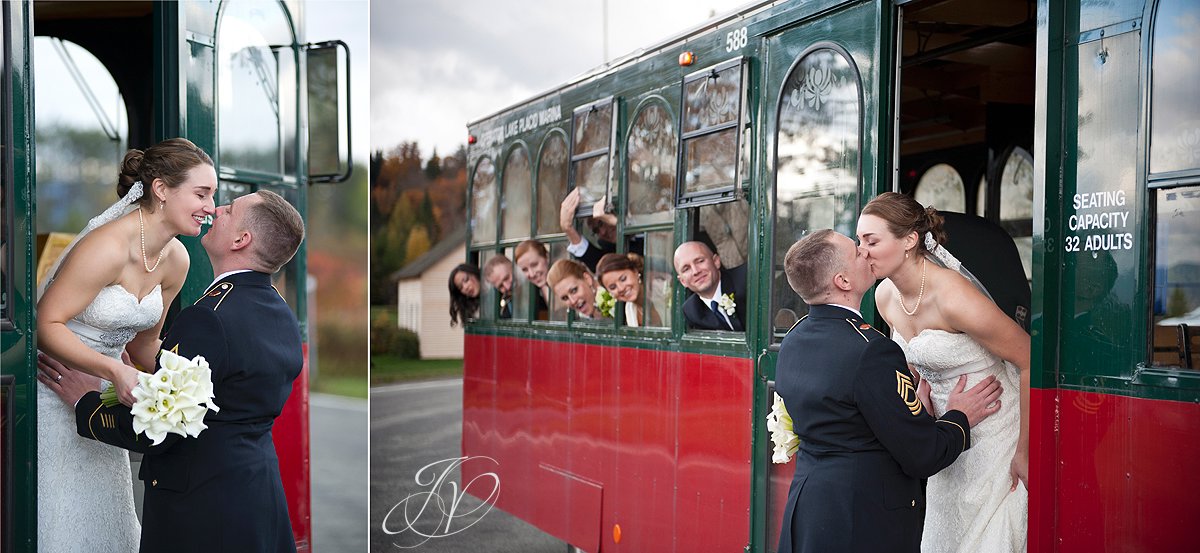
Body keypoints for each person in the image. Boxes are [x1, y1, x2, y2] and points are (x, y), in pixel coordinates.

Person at [40, 189, 306, 553]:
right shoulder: (281, 314)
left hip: (201, 508)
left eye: (228, 210)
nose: (216, 209)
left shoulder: (209, 318)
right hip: (258, 494)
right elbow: (222, 397)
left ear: (242, 240)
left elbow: (160, 431)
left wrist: (85, 401)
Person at [34, 138, 216, 552]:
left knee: (107, 517)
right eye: (201, 193)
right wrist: (114, 370)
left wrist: (175, 386)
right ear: (162, 189)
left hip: (102, 397)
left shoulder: (177, 261)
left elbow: (145, 343)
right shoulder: (107, 246)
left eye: (212, 195)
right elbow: (46, 324)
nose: (210, 206)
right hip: (57, 386)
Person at [776, 229, 1003, 553]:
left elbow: (850, 420)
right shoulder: (870, 350)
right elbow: (923, 455)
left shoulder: (794, 340)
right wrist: (959, 416)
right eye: (856, 251)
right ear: (842, 281)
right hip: (862, 521)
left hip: (810, 511)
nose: (864, 252)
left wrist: (909, 410)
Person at [857, 192, 1029, 553]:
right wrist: (920, 394)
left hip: (997, 430)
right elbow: (915, 363)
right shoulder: (884, 296)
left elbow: (1028, 359)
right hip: (945, 435)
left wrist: (1024, 452)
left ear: (909, 240)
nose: (862, 251)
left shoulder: (953, 296)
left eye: (871, 241)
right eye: (859, 241)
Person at [558, 188, 642, 271]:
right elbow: (599, 264)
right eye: (596, 231)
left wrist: (617, 222)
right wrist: (568, 228)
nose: (603, 232)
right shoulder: (609, 248)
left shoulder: (644, 222)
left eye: (601, 223)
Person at [673, 241, 747, 331]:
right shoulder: (692, 311)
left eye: (700, 261)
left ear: (716, 261)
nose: (696, 271)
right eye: (686, 269)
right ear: (683, 281)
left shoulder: (747, 278)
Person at [596, 252, 660, 327]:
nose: (621, 288)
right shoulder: (629, 310)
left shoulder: (661, 290)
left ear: (635, 272)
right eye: (613, 287)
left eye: (623, 279)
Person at [514, 239, 551, 319]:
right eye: (525, 270)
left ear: (547, 257)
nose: (532, 274)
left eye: (534, 265)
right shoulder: (529, 293)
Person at [448, 263, 481, 327]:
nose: (465, 287)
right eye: (460, 287)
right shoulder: (473, 310)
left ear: (475, 274)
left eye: (466, 280)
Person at [482, 254, 515, 319]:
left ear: (514, 268)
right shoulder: (505, 308)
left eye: (506, 278)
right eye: (500, 286)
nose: (507, 286)